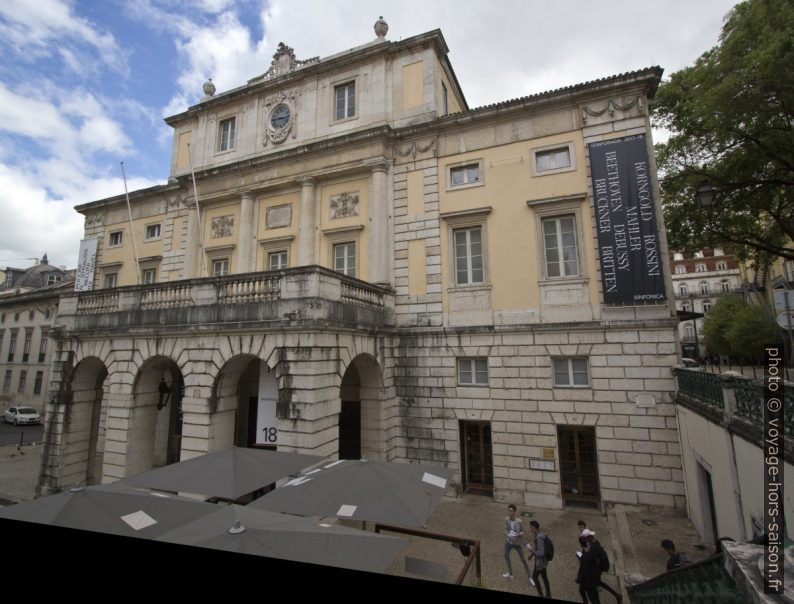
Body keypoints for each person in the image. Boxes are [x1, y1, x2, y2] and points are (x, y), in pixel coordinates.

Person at [576, 522, 622, 602]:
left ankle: (617, 595)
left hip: (592, 573)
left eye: (581, 527)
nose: (593, 536)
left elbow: (587, 561)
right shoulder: (594, 543)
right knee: (598, 584)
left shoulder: (591, 546)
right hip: (597, 570)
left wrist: (581, 558)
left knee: (586, 590)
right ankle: (617, 595)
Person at [502, 504, 533, 584]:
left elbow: (523, 531)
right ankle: (511, 573)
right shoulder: (506, 519)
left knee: (523, 559)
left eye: (511, 511)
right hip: (509, 542)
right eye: (508, 510)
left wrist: (519, 534)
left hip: (517, 543)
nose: (509, 512)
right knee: (506, 555)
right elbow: (506, 529)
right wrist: (507, 533)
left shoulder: (519, 521)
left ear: (515, 512)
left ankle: (530, 577)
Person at [577, 529, 604, 604]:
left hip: (589, 579)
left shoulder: (588, 551)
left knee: (591, 596)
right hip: (593, 576)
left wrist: (579, 579)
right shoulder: (590, 548)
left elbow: (585, 567)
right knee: (586, 592)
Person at [526, 520, 551, 598]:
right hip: (544, 562)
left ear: (535, 528)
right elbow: (537, 548)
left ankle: (540, 594)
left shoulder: (539, 539)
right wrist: (531, 555)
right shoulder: (541, 534)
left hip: (540, 563)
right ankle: (548, 594)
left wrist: (531, 549)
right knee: (545, 578)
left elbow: (540, 553)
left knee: (534, 578)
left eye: (531, 527)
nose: (530, 529)